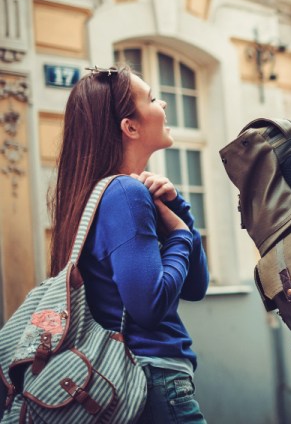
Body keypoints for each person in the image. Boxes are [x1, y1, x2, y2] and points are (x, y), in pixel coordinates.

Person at [48, 65, 209, 423]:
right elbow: (149, 307)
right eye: (151, 98)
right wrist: (181, 234)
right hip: (152, 379)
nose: (163, 103)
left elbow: (196, 286)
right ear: (130, 127)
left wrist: (176, 209)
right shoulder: (124, 193)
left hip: (141, 379)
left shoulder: (105, 194)